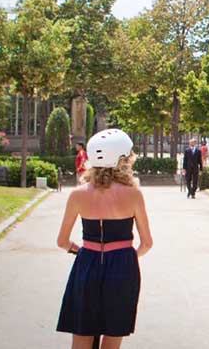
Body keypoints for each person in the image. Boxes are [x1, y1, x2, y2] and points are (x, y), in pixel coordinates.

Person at [56, 129, 153, 349]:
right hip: (122, 266)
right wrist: (127, 256)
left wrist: (78, 251)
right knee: (113, 335)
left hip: (87, 262)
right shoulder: (133, 194)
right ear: (122, 159)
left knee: (82, 334)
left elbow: (62, 241)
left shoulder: (77, 194)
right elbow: (146, 243)